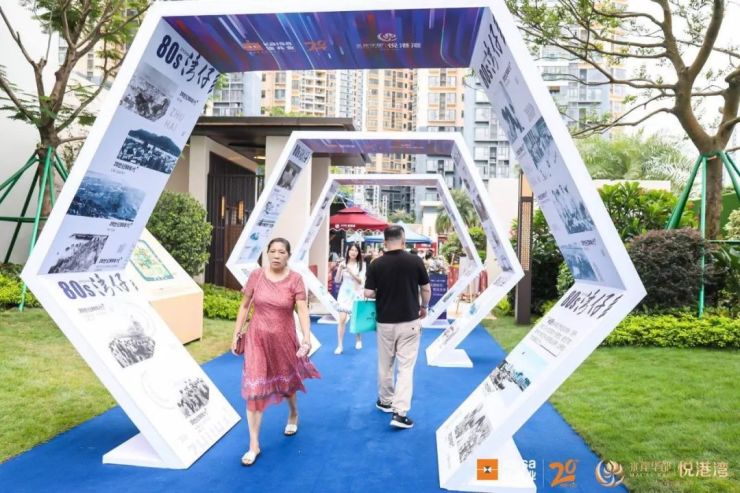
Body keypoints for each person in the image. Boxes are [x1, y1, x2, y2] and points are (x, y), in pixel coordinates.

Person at [231, 238, 320, 466]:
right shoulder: (256, 276)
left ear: (288, 255)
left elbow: (302, 310)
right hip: (256, 340)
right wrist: (236, 333)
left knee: (286, 384)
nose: (276, 255)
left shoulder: (295, 279)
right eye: (272, 251)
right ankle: (254, 444)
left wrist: (306, 337)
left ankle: (293, 413)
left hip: (283, 340)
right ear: (267, 253)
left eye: (281, 252)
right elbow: (244, 305)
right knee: (254, 389)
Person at [364, 225, 431, 429]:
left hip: (385, 322)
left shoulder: (376, 264)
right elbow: (426, 289)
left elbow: (368, 293)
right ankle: (400, 413)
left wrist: (382, 291)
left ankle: (385, 401)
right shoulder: (415, 261)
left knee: (385, 364)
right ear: (403, 241)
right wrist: (424, 307)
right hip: (409, 322)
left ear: (385, 242)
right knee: (405, 368)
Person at [333, 243, 365, 354]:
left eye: (356, 250)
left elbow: (361, 281)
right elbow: (337, 280)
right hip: (344, 294)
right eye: (351, 250)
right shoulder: (343, 263)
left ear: (358, 253)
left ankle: (358, 339)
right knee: (342, 319)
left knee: (355, 319)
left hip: (356, 294)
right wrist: (339, 269)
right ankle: (340, 345)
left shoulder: (361, 265)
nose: (353, 252)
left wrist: (350, 271)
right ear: (348, 251)